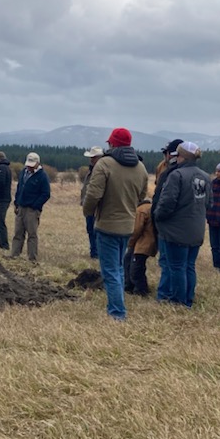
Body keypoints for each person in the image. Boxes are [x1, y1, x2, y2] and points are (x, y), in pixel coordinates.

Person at [81, 128, 149, 320]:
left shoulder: (105, 164)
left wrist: (88, 211)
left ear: (112, 144)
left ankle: (117, 313)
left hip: (107, 226)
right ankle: (117, 308)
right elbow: (142, 195)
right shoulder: (140, 167)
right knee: (118, 268)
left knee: (110, 271)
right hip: (128, 226)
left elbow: (93, 194)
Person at [153, 141, 211, 307]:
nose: (174, 158)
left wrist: (158, 216)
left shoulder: (176, 175)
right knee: (189, 266)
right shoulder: (205, 177)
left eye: (176, 155)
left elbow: (167, 203)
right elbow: (209, 203)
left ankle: (178, 302)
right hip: (196, 230)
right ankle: (188, 298)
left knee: (177, 267)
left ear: (182, 157)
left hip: (176, 231)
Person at [152, 138, 183, 302]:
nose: (165, 155)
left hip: (169, 224)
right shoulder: (162, 168)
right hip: (183, 225)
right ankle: (180, 294)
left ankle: (166, 294)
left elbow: (164, 199)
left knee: (169, 261)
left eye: (167, 152)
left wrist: (156, 216)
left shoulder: (173, 173)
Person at [10, 152, 51, 263]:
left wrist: (35, 206)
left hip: (32, 210)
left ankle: (32, 258)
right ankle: (14, 255)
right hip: (21, 207)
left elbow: (46, 194)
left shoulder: (42, 176)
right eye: (28, 164)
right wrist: (16, 203)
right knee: (18, 233)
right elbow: (19, 188)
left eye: (32, 165)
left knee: (32, 234)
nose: (29, 167)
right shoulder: (23, 172)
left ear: (38, 163)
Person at [126, 196, 157, 295]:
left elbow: (136, 230)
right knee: (129, 261)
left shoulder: (141, 210)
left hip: (142, 244)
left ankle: (140, 290)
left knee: (136, 268)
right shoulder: (150, 207)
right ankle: (129, 285)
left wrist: (130, 242)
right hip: (149, 243)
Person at [80, 146, 104, 258]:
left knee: (96, 231)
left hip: (97, 208)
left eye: (93, 157)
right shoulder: (90, 171)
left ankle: (97, 253)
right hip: (89, 206)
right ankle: (94, 252)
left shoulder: (101, 171)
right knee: (90, 230)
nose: (91, 160)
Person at [0, 151, 12, 250]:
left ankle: (4, 244)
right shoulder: (7, 167)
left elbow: (0, 183)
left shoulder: (2, 168)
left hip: (2, 199)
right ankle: (2, 243)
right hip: (5, 198)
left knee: (0, 222)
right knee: (0, 222)